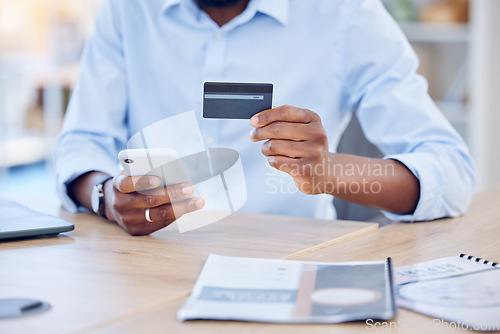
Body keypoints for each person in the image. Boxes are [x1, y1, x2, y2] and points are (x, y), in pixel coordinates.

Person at [55, 0, 476, 236]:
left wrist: (332, 171)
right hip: (144, 260)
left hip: (291, 262)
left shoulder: (347, 14)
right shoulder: (126, 11)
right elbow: (80, 143)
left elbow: (451, 171)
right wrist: (105, 196)